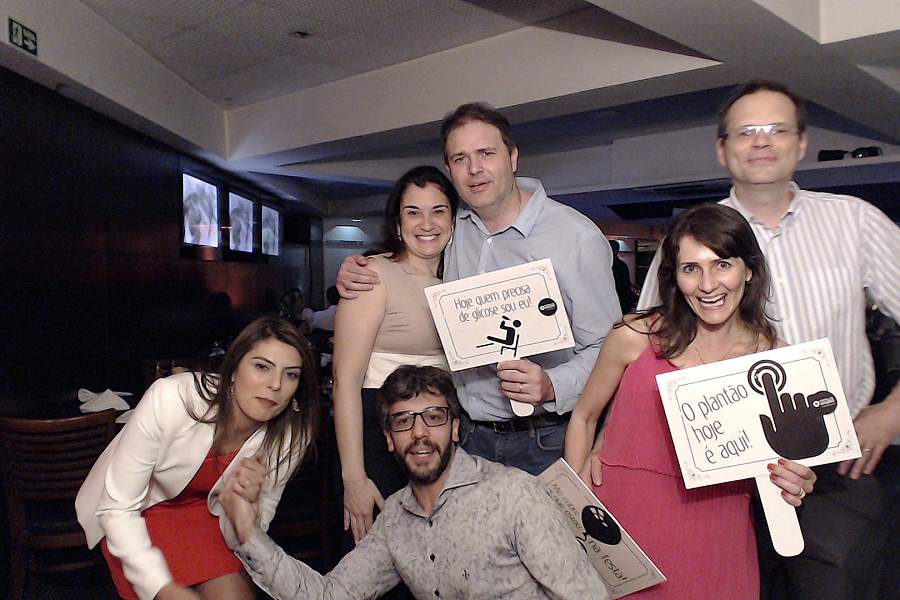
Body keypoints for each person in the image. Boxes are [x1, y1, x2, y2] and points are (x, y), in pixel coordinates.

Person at [636, 80, 900, 600]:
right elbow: (648, 349)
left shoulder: (855, 222)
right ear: (722, 149)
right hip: (714, 473)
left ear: (801, 143)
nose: (761, 141)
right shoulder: (688, 238)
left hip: (831, 470)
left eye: (776, 129)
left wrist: (893, 411)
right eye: (746, 131)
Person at [337, 103, 620, 475]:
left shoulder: (575, 237)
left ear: (512, 157)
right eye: (460, 158)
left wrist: (554, 384)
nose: (474, 169)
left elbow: (610, 351)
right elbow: (414, 253)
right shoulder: (454, 229)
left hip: (544, 439)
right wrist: (358, 265)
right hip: (466, 439)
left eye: (486, 153)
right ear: (450, 169)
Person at [565, 204, 816, 599]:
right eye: (690, 268)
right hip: (621, 528)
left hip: (717, 534)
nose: (707, 284)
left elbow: (787, 459)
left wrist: (795, 481)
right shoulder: (635, 337)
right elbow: (584, 416)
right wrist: (576, 502)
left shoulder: (775, 362)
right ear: (674, 277)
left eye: (722, 265)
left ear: (749, 270)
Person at [220, 365, 608, 600]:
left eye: (434, 417)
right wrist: (249, 533)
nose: (420, 433)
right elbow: (330, 594)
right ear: (389, 439)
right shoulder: (394, 520)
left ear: (455, 429)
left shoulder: (515, 494)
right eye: (404, 421)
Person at [76, 316, 319, 600]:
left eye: (291, 374)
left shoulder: (290, 435)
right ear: (234, 368)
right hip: (138, 511)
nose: (275, 384)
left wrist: (245, 508)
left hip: (206, 517)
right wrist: (161, 588)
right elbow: (118, 508)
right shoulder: (172, 398)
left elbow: (249, 534)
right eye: (262, 366)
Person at [333, 165, 457, 557]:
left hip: (439, 430)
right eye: (413, 212)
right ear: (398, 222)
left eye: (438, 211)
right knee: (376, 557)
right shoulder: (373, 275)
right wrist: (354, 475)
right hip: (380, 429)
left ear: (454, 219)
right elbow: (345, 381)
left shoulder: (463, 279)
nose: (427, 223)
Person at [609, 239, 637, 314]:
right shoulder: (621, 265)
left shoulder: (606, 265)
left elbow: (626, 285)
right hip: (620, 300)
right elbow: (626, 285)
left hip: (613, 299)